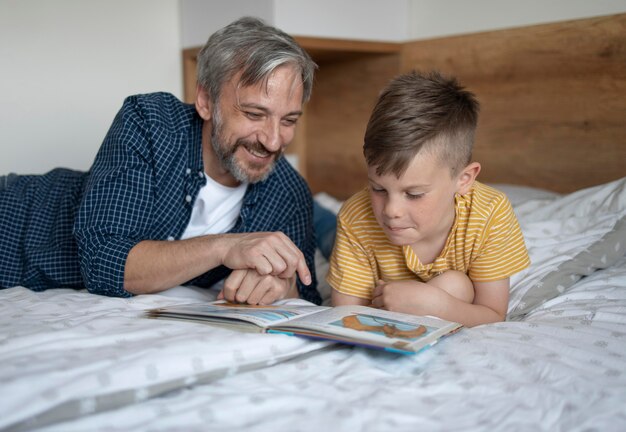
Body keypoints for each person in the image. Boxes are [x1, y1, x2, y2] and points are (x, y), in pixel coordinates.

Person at [0, 17, 322, 305]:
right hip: (13, 222)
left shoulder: (289, 194)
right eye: (254, 114)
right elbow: (103, 262)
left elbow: (306, 293)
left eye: (289, 120)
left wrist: (281, 286)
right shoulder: (150, 123)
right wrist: (224, 247)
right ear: (206, 101)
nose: (273, 140)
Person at [328, 70, 530, 326]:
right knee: (324, 231)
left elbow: (493, 314)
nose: (391, 211)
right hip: (347, 246)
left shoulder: (490, 212)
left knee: (456, 285)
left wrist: (435, 305)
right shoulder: (357, 215)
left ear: (464, 180)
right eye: (378, 189)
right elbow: (344, 316)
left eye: (414, 194)